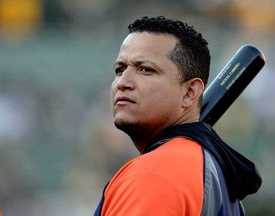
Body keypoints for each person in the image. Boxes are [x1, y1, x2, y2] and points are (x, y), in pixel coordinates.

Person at [94, 16, 262, 215]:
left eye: (146, 70)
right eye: (120, 70)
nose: (123, 82)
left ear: (190, 92)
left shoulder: (156, 173)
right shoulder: (211, 170)